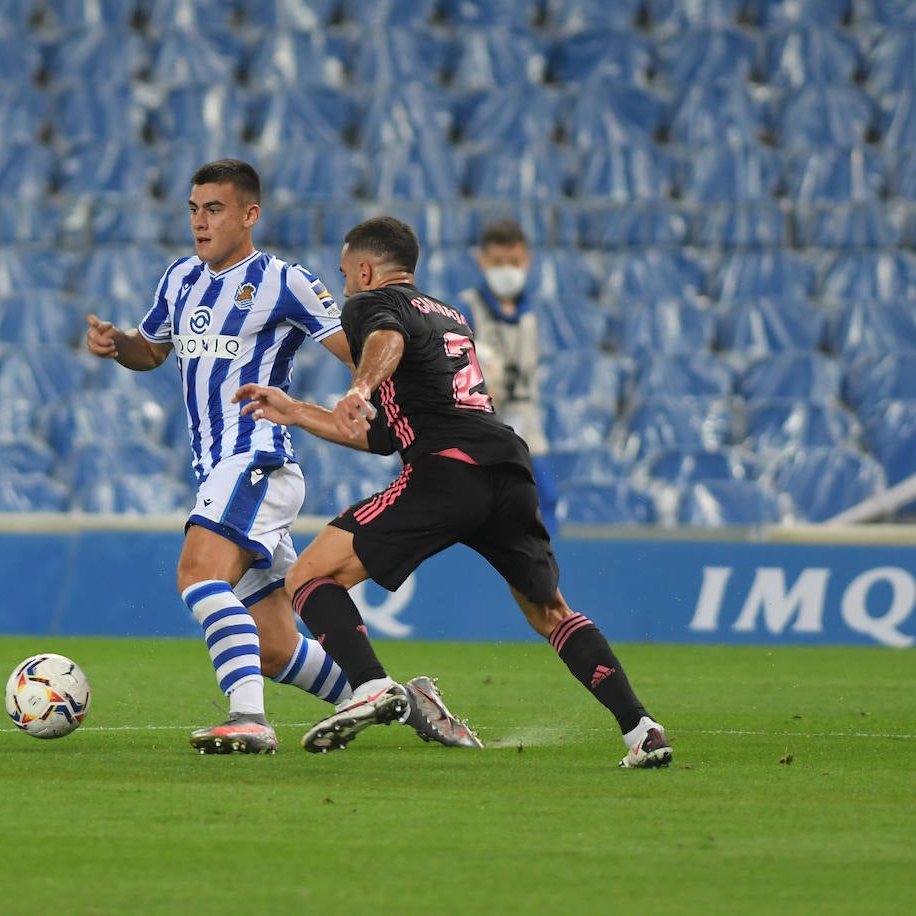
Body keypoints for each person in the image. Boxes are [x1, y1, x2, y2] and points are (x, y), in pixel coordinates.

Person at [235, 215, 671, 767]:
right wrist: (297, 411)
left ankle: (371, 686)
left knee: (310, 576)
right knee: (550, 613)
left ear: (367, 269)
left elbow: (384, 341)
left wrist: (359, 384)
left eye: (346, 272)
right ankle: (640, 728)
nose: (344, 284)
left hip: (448, 470)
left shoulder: (370, 306)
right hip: (506, 465)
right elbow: (383, 434)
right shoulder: (448, 316)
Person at [85, 160, 478, 755]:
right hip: (220, 467)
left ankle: (248, 718)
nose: (199, 221)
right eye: (193, 209)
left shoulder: (284, 281)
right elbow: (153, 352)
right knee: (273, 646)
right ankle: (396, 697)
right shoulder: (179, 279)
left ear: (249, 214)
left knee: (196, 574)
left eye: (214, 209)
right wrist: (120, 346)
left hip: (255, 456)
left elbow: (359, 346)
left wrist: (374, 394)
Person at [458, 218, 558, 533]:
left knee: (545, 498)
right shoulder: (466, 309)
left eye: (514, 262)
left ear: (526, 260)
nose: (507, 270)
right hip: (482, 428)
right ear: (482, 260)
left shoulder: (531, 314)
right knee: (479, 508)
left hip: (527, 427)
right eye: (498, 262)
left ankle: (546, 575)